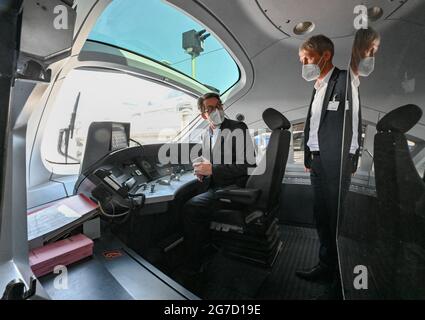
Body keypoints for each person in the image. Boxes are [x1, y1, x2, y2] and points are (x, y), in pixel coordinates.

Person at [295, 35, 362, 294]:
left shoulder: (344, 79)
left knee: (336, 220)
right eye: (302, 60)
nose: (304, 64)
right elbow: (314, 126)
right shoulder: (318, 86)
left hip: (337, 161)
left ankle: (340, 274)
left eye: (307, 59)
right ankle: (326, 265)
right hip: (319, 162)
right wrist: (309, 157)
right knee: (321, 217)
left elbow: (355, 120)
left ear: (325, 56)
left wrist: (351, 158)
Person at [180, 92, 255, 276]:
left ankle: (193, 264)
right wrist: (202, 172)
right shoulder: (206, 134)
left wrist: (212, 170)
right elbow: (210, 162)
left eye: (219, 106)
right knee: (187, 197)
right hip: (214, 185)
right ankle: (206, 246)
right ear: (203, 115)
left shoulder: (238, 127)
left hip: (233, 189)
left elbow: (248, 165)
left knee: (191, 208)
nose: (217, 111)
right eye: (211, 109)